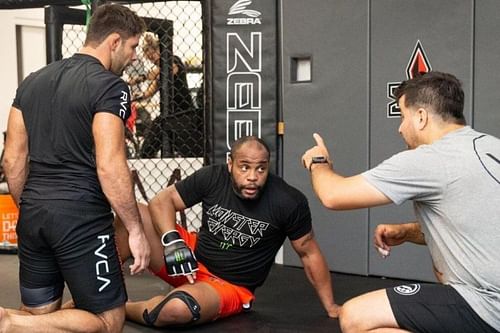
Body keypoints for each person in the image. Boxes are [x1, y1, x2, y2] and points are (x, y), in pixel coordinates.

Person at [301, 71, 500, 333]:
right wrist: (408, 232)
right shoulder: (491, 147)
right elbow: (480, 224)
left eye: (402, 116)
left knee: (355, 316)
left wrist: (319, 162)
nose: (400, 127)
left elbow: (333, 195)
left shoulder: (431, 158)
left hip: (488, 304)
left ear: (420, 117)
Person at [0, 4, 151, 333]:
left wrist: (33, 205)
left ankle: (14, 321)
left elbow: (12, 159)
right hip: (80, 218)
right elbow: (110, 165)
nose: (134, 56)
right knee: (108, 321)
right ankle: (9, 322)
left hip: (33, 213)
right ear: (114, 41)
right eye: (133, 46)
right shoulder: (110, 87)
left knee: (39, 318)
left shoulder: (31, 82)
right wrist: (136, 231)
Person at [114, 135, 340, 328]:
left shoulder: (288, 201)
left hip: (227, 287)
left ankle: (121, 309)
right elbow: (163, 201)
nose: (253, 176)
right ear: (230, 164)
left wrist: (331, 306)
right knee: (131, 217)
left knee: (175, 310)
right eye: (245, 167)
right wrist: (173, 241)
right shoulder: (213, 177)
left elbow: (309, 253)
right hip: (188, 258)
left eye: (260, 168)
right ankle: (105, 295)